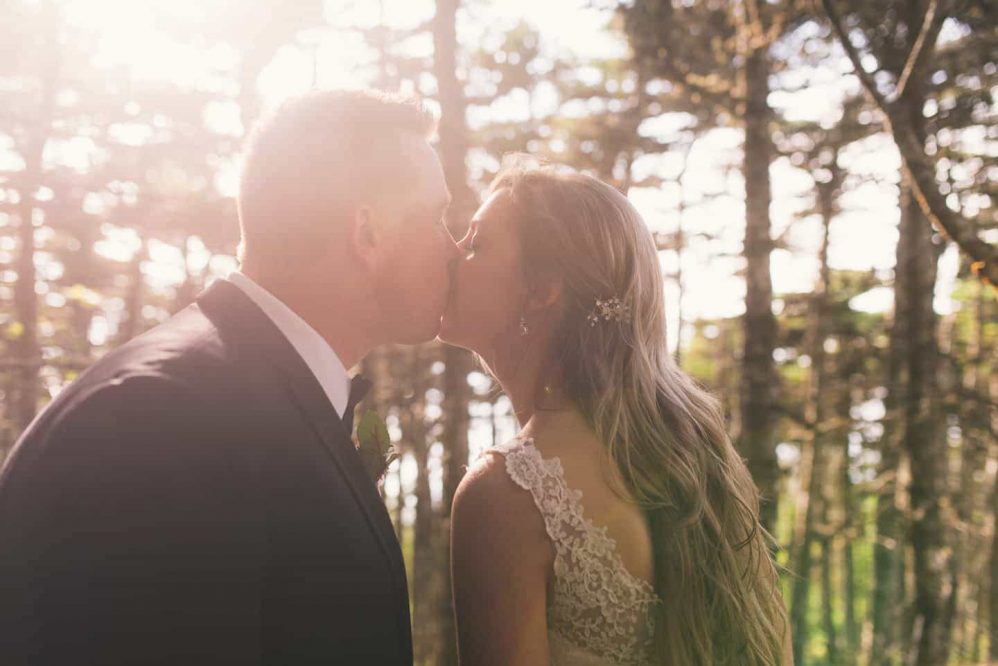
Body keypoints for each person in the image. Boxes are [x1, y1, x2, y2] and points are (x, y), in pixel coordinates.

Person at [0, 89, 460, 665]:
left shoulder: (242, 395)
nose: (453, 248)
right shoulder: (158, 417)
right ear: (367, 231)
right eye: (438, 217)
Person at [440, 158, 792, 665]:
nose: (451, 255)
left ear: (541, 291)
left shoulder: (507, 494)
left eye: (474, 245)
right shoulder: (696, 457)